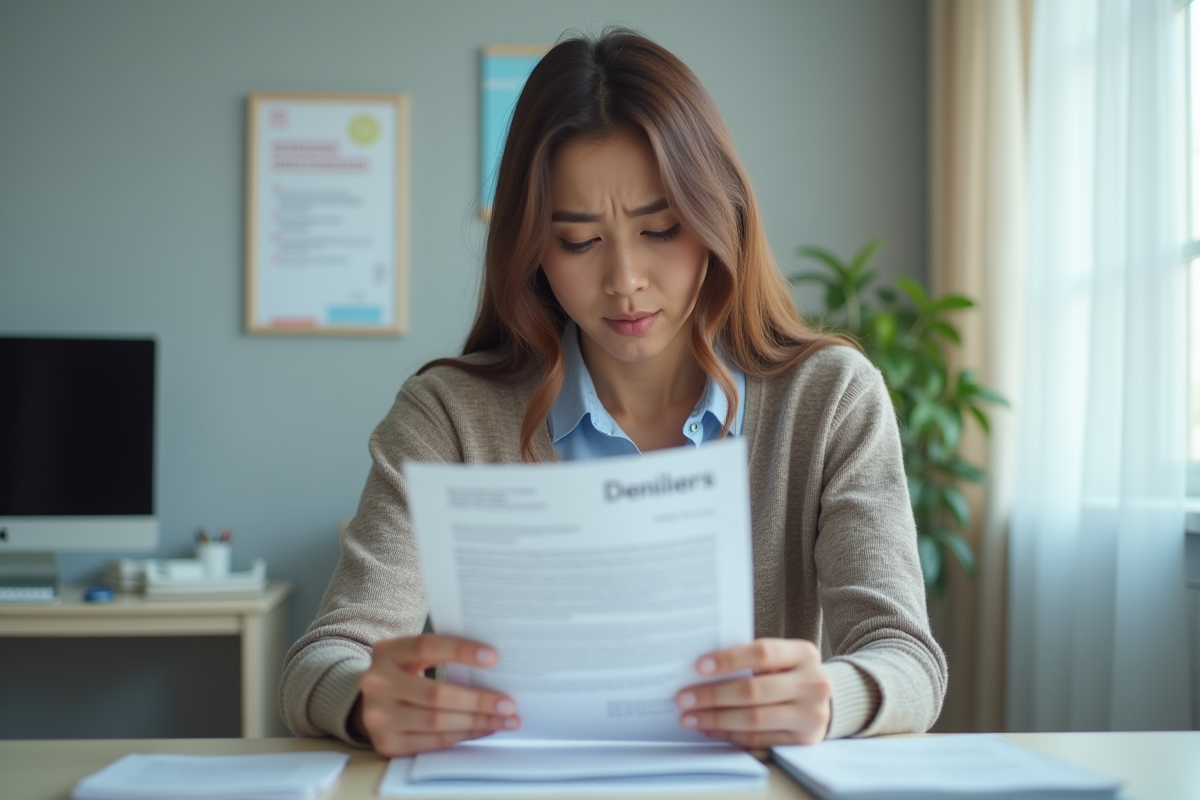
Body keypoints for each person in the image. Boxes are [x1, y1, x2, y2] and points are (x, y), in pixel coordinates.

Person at [279, 28, 946, 757]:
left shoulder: (829, 399)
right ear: (532, 247)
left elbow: (905, 657)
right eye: (578, 241)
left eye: (660, 228)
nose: (624, 278)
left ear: (720, 218)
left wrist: (831, 698)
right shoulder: (447, 415)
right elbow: (324, 656)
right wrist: (363, 700)